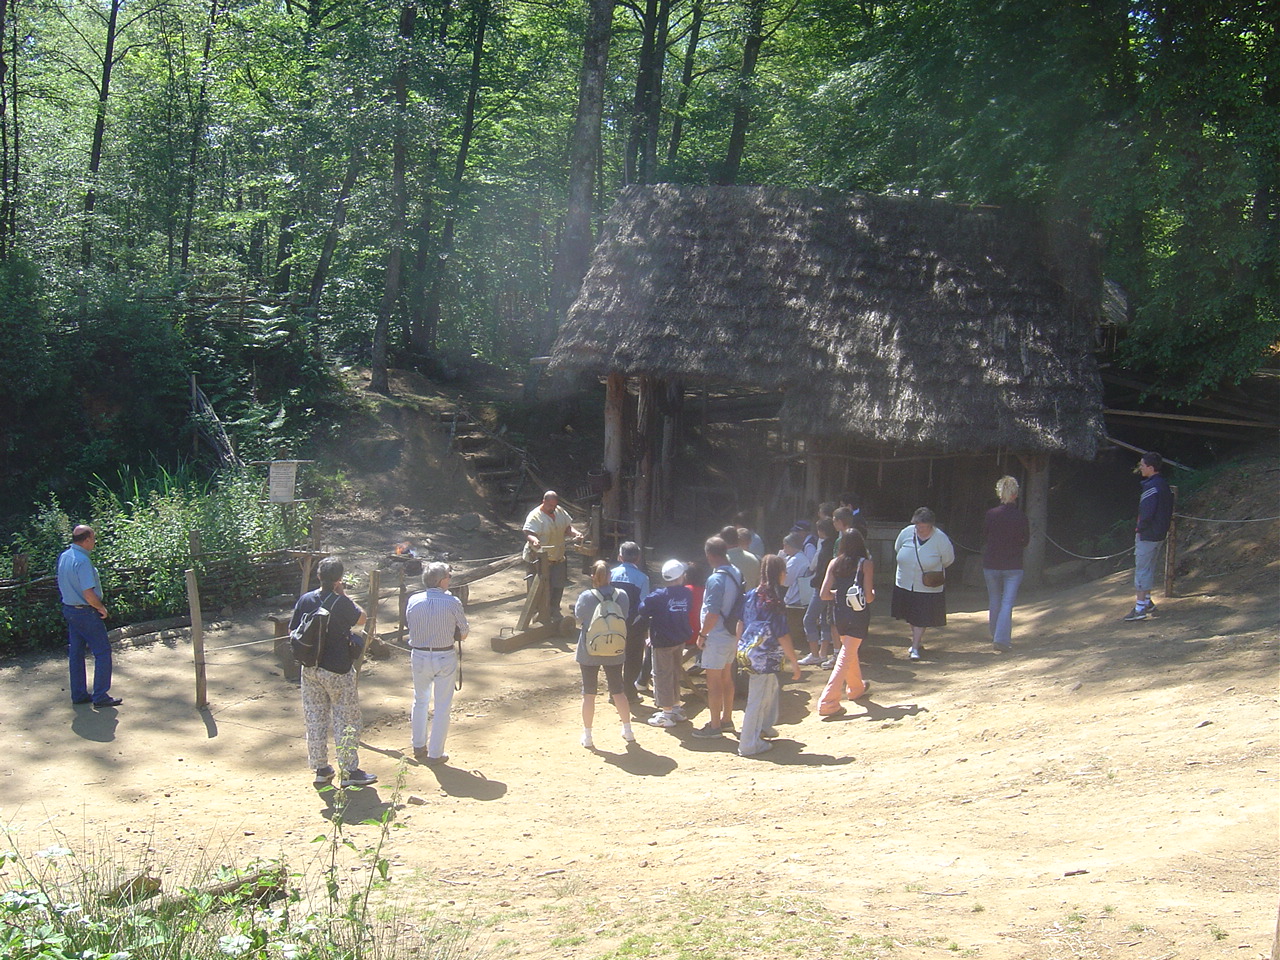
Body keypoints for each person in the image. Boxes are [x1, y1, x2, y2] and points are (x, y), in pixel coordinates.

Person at [289, 557, 376, 787]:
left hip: (310, 667)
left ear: (318, 576)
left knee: (315, 718)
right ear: (339, 579)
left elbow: (292, 629)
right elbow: (362, 618)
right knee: (346, 718)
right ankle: (349, 770)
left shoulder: (306, 599)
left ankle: (321, 769)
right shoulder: (341, 602)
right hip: (338, 669)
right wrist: (343, 594)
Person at [735, 554, 802, 756]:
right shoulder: (774, 601)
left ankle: (765, 726)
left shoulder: (750, 595)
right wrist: (794, 661)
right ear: (779, 573)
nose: (786, 575)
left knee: (770, 686)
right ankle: (749, 743)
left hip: (748, 650)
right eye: (785, 571)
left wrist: (739, 646)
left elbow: (740, 623)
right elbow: (782, 634)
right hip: (763, 656)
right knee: (757, 697)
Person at [405, 561, 469, 766]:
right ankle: (435, 753)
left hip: (419, 655)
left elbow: (410, 624)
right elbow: (464, 633)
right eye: (448, 576)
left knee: (420, 700)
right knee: (442, 706)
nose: (450, 579)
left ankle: (418, 745)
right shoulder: (452, 602)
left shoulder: (413, 600)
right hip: (443, 656)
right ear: (441, 581)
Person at [57, 524, 120, 707]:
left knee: (76, 653)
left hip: (70, 609)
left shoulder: (65, 556)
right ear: (86, 540)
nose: (94, 542)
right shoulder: (83, 561)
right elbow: (88, 593)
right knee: (102, 652)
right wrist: (101, 608)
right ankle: (100, 696)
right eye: (93, 538)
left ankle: (79, 694)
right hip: (86, 612)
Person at [574, 560, 634, 749]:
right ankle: (628, 730)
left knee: (589, 693)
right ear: (610, 575)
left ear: (593, 576)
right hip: (615, 648)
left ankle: (588, 735)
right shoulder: (622, 596)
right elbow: (625, 616)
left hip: (589, 649)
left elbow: (579, 618)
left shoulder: (586, 596)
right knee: (618, 690)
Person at [818, 530, 874, 715]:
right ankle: (828, 701)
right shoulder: (865, 564)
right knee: (845, 656)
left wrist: (839, 594)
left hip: (839, 614)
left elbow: (824, 594)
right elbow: (869, 597)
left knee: (848, 652)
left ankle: (856, 688)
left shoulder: (834, 563)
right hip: (858, 615)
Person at [693, 536, 742, 739]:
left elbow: (712, 613)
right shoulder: (736, 572)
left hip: (716, 636)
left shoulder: (716, 579)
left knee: (713, 682)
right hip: (731, 634)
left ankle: (714, 726)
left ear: (709, 555)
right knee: (727, 678)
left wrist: (702, 634)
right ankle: (726, 719)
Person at [892, 507, 955, 662]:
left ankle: (914, 647)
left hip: (927, 585)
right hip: (905, 582)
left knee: (920, 617)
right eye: (918, 526)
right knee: (911, 616)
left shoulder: (941, 538)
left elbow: (948, 559)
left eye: (924, 526)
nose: (920, 529)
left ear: (931, 525)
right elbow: (897, 548)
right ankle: (917, 640)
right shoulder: (906, 532)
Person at [638, 560, 693, 727]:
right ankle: (675, 708)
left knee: (662, 675)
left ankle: (667, 713)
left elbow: (642, 609)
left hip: (662, 641)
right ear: (681, 577)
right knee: (675, 673)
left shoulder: (658, 596)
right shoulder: (686, 593)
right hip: (680, 639)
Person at [982, 476, 1031, 652]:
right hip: (1013, 564)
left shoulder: (991, 514)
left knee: (994, 600)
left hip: (992, 563)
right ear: (1015, 495)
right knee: (1007, 603)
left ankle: (995, 633)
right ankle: (1001, 639)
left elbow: (985, 536)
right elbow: (1026, 540)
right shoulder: (1021, 516)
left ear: (1000, 493)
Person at [1125, 452, 1174, 621]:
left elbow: (1146, 512)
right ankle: (1147, 601)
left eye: (1142, 465)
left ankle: (1140, 608)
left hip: (1149, 534)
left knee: (1142, 569)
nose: (1140, 468)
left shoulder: (1152, 487)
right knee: (1149, 567)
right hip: (1159, 533)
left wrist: (1140, 528)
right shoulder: (1163, 484)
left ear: (1151, 468)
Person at [522, 491, 582, 625]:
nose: (553, 508)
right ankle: (538, 614)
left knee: (558, 585)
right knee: (539, 589)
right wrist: (534, 540)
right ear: (544, 502)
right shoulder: (535, 516)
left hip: (557, 557)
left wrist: (576, 534)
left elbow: (567, 528)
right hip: (538, 559)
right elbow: (528, 532)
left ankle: (554, 611)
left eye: (554, 506)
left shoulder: (559, 511)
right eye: (550, 506)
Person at [610, 541, 650, 700]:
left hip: (611, 622)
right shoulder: (643, 578)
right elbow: (643, 604)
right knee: (633, 658)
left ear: (620, 557)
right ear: (638, 558)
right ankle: (629, 692)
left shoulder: (610, 574)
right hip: (633, 624)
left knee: (613, 656)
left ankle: (614, 692)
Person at [800, 517, 837, 665]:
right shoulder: (834, 545)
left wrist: (814, 581)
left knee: (809, 619)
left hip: (821, 587)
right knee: (825, 620)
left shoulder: (826, 547)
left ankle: (815, 653)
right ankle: (822, 652)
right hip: (831, 587)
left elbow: (822, 570)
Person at [781, 531, 813, 650]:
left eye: (785, 545)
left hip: (795, 597)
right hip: (802, 595)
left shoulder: (795, 560)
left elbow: (785, 581)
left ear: (790, 545)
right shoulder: (800, 557)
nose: (783, 548)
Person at [721, 525, 760, 601]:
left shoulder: (721, 561)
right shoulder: (754, 559)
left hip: (729, 605)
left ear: (722, 541)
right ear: (738, 539)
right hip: (750, 604)